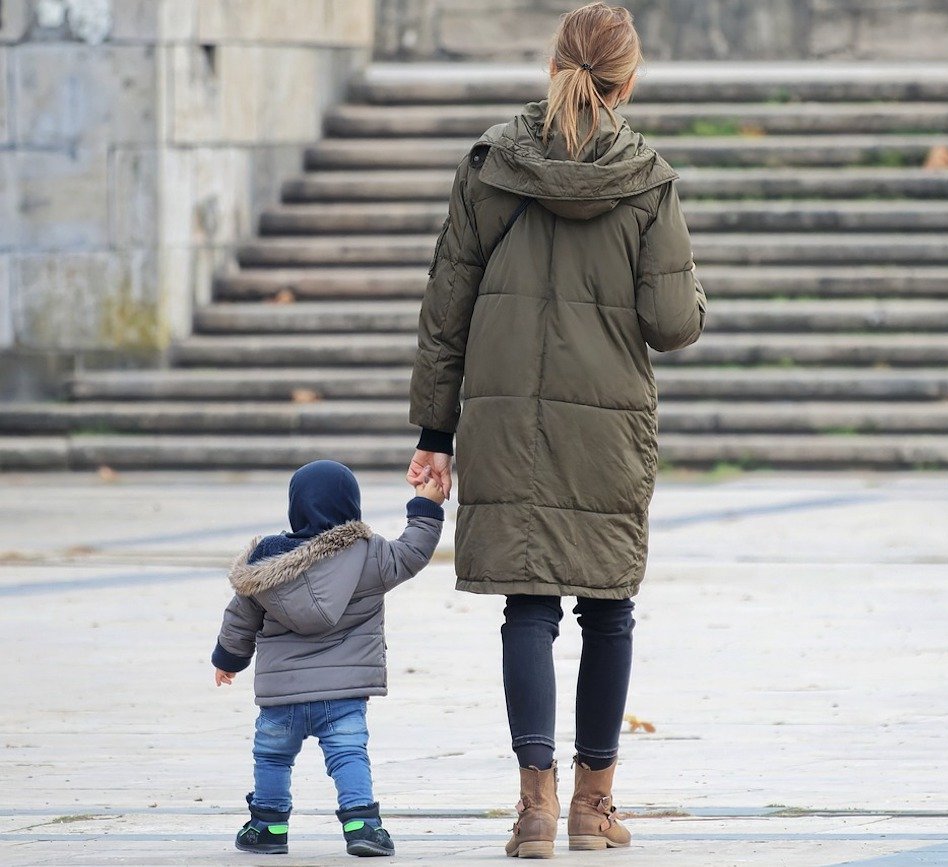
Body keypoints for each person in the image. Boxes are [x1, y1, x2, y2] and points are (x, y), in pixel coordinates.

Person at [406, 1, 706, 858]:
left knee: (527, 607)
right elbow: (673, 320)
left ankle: (533, 809)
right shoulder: (648, 179)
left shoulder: (493, 164)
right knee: (608, 610)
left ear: (553, 66)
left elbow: (446, 305)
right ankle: (594, 805)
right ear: (629, 78)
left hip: (502, 416)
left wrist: (435, 429)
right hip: (607, 422)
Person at [211, 460, 445, 857]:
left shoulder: (264, 568)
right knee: (348, 755)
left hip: (281, 697)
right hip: (343, 695)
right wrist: (426, 503)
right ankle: (362, 826)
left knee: (271, 756)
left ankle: (267, 827)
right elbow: (414, 551)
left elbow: (240, 618)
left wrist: (228, 660)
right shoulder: (372, 555)